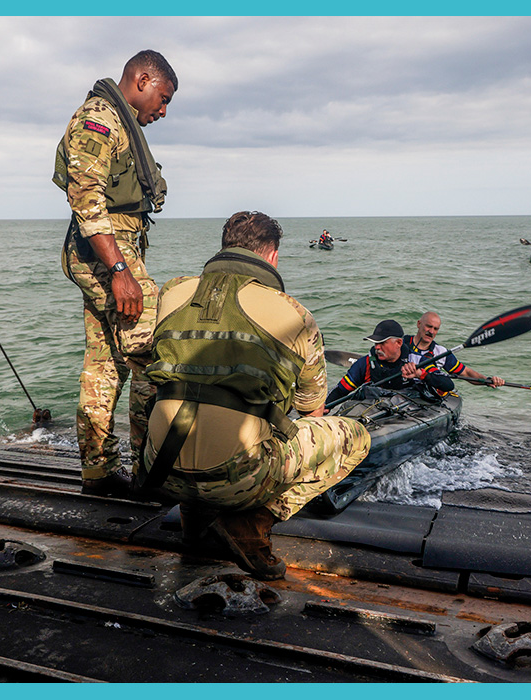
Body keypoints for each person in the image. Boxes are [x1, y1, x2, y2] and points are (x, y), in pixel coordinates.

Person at [141, 211, 372, 580]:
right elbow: (312, 411)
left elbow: (152, 373)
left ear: (225, 247)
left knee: (189, 398)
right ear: (273, 256)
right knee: (355, 437)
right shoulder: (295, 314)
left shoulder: (171, 292)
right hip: (237, 481)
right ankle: (251, 523)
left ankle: (194, 523)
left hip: (160, 471)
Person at [53, 50, 178, 497]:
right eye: (163, 98)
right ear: (142, 80)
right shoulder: (99, 118)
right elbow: (85, 198)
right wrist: (120, 270)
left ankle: (100, 472)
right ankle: (151, 474)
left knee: (105, 363)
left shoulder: (120, 123)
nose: (162, 111)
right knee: (151, 353)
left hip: (109, 250)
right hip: (106, 253)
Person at [324, 319, 456, 405]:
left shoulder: (418, 360)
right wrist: (324, 406)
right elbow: (340, 390)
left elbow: (448, 385)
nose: (377, 347)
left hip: (409, 413)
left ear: (398, 343)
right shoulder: (366, 363)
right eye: (375, 343)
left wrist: (420, 374)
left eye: (382, 343)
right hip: (376, 411)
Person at [404, 312, 505, 389]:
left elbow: (466, 373)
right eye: (429, 326)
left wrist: (487, 380)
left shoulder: (441, 352)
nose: (431, 331)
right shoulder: (402, 343)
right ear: (419, 324)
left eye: (435, 329)